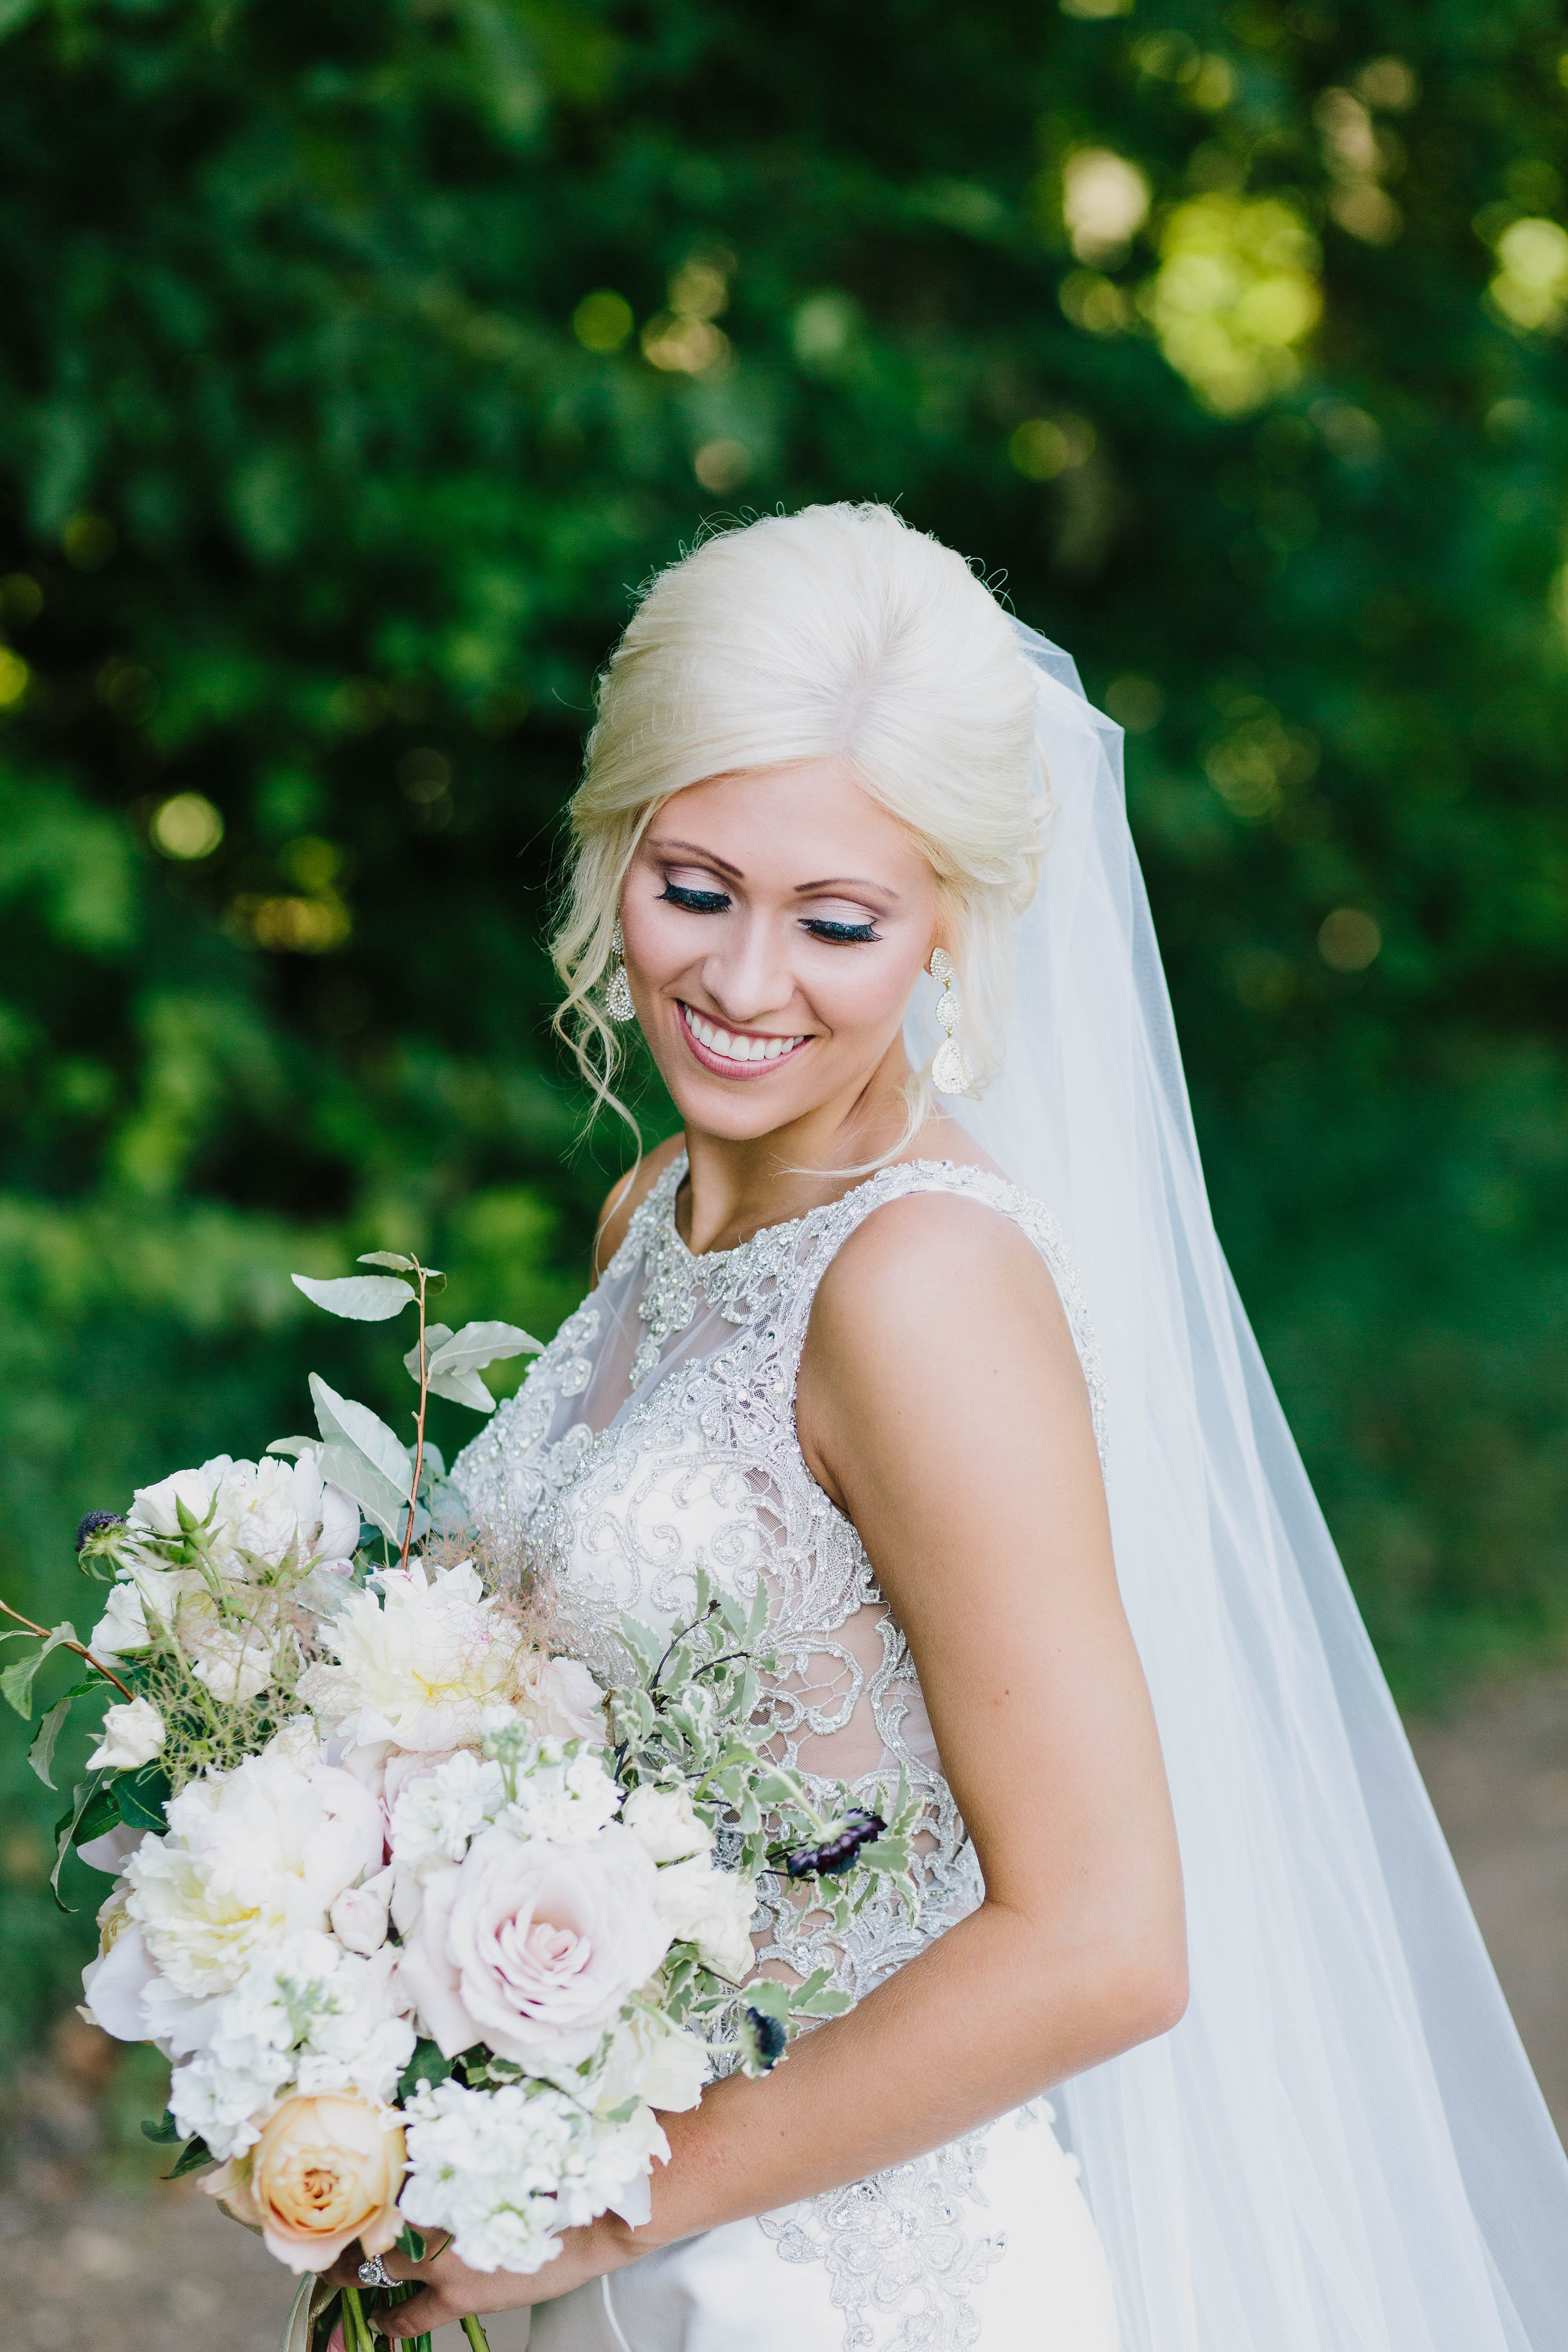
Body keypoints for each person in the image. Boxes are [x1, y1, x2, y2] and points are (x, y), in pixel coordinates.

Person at [342, 504, 1568, 2349]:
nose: (747, 987)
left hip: (856, 2284)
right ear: (614, 845)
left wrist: (607, 2204)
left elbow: (1104, 1942)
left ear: (954, 921)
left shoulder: (918, 1286)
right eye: (694, 888)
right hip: (630, 2246)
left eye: (838, 922)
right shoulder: (660, 1209)